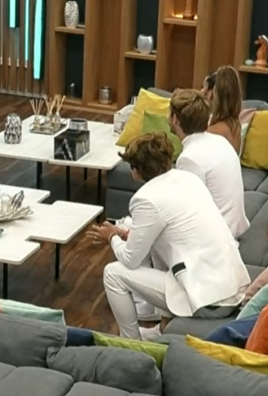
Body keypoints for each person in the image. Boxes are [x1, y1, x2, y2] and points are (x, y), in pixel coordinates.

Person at [89, 133, 249, 340]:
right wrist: (128, 235)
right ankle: (160, 329)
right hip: (233, 288)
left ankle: (130, 342)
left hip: (210, 301)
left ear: (136, 171)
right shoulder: (189, 179)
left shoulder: (145, 199)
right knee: (159, 248)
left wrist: (112, 237)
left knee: (113, 273)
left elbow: (130, 259)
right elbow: (175, 229)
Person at [169, 89, 249, 239]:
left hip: (216, 238)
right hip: (232, 228)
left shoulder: (189, 159)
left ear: (175, 119)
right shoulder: (220, 141)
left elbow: (188, 212)